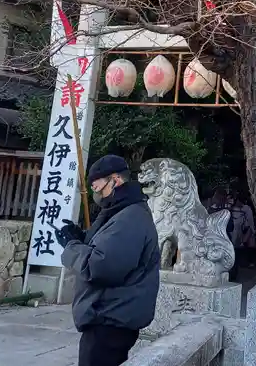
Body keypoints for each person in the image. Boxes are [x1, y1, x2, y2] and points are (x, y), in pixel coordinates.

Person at [55, 154, 160, 366]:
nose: (96, 194)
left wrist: (72, 247)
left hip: (111, 320)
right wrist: (80, 237)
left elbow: (101, 266)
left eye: (98, 188)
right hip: (108, 317)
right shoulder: (119, 211)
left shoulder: (131, 217)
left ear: (116, 180)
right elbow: (104, 246)